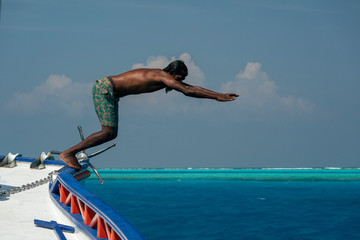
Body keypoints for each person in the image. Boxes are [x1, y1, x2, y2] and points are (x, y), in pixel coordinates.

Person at [60, 60, 239, 169]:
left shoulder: (163, 76)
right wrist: (218, 97)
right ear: (172, 73)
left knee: (111, 133)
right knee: (108, 132)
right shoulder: (162, 76)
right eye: (178, 78)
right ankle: (69, 153)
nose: (179, 83)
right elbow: (187, 91)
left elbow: (190, 87)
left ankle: (70, 153)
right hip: (105, 88)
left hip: (110, 91)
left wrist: (219, 94)